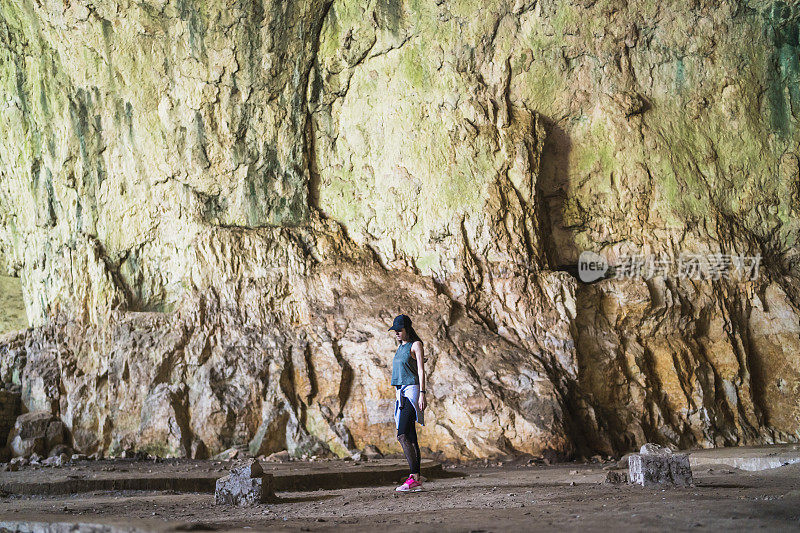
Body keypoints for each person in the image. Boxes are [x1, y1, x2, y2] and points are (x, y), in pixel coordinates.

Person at [388, 313, 427, 492]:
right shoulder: (400, 347)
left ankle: (413, 477)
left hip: (412, 391)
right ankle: (416, 478)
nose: (396, 333)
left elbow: (421, 370)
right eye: (394, 330)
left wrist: (422, 394)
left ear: (407, 329)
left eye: (399, 330)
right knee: (410, 436)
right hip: (400, 393)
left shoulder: (416, 345)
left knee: (402, 435)